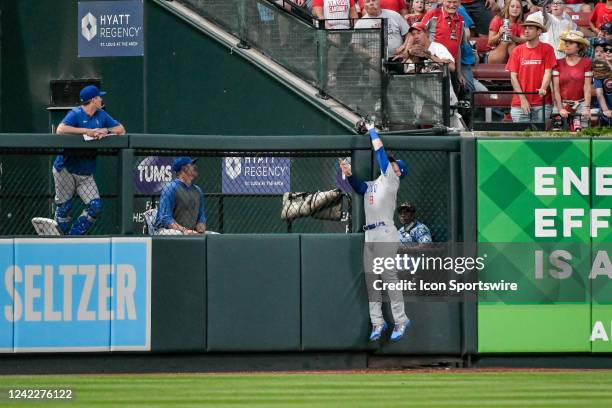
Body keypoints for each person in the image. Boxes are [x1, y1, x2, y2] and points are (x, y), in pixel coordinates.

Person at [339, 123, 410, 343]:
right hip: (370, 235)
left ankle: (401, 320)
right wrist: (349, 176)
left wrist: (371, 129)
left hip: (385, 233)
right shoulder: (375, 184)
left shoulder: (391, 180)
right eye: (392, 165)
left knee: (389, 278)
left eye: (395, 166)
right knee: (372, 280)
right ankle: (378, 322)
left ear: (398, 172)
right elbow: (360, 188)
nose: (391, 166)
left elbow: (380, 153)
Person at [53, 85, 126, 235]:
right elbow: (60, 129)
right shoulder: (76, 113)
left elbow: (121, 129)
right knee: (65, 208)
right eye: (99, 97)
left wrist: (107, 130)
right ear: (93, 100)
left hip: (85, 172)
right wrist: (87, 131)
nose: (101, 99)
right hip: (65, 168)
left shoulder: (101, 114)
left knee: (95, 206)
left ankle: (73, 236)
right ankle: (58, 238)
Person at [506, 13, 557, 123]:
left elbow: (548, 72)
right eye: (525, 28)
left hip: (541, 102)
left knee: (540, 138)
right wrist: (522, 99)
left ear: (539, 31)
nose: (526, 31)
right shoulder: (517, 50)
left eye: (530, 28)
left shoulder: (547, 49)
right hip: (519, 103)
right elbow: (513, 77)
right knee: (520, 139)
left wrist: (543, 88)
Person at [352, 0, 410, 74]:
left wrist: (405, 48)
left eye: (373, 0)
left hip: (397, 57)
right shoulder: (360, 24)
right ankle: (376, 85)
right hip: (375, 60)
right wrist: (372, 55)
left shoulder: (394, 15)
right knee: (374, 64)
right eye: (367, 1)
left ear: (379, 1)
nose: (371, 3)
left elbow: (409, 33)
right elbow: (356, 46)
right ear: (364, 5)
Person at [154, 157, 207, 235]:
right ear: (184, 169)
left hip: (188, 231)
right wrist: (184, 230)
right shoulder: (170, 188)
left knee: (214, 236)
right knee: (178, 234)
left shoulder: (198, 191)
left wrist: (200, 230)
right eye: (192, 165)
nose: (195, 167)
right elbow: (166, 219)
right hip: (166, 230)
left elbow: (201, 216)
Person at [552, 30, 592, 131]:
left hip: (581, 104)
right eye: (565, 42)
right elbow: (555, 89)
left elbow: (587, 87)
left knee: (582, 134)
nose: (566, 45)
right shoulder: (557, 63)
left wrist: (587, 107)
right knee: (557, 134)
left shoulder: (587, 63)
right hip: (561, 104)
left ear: (578, 47)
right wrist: (560, 108)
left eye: (570, 43)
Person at [487, 0, 525, 64]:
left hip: (511, 55)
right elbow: (490, 42)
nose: (515, 9)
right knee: (507, 41)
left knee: (510, 41)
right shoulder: (497, 19)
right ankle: (517, 65)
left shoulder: (520, 24)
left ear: (521, 10)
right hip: (495, 54)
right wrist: (499, 34)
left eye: (518, 7)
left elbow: (524, 40)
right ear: (508, 8)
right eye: (512, 6)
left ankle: (515, 65)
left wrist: (513, 37)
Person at [592, 58, 612, 126]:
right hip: (608, 113)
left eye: (610, 50)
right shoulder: (600, 70)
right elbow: (599, 94)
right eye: (606, 50)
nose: (608, 52)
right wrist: (605, 110)